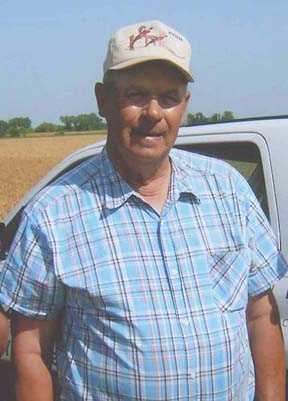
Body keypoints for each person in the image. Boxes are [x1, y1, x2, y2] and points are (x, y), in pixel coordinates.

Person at [0, 19, 287, 401]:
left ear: (184, 106)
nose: (153, 112)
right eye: (135, 94)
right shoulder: (53, 214)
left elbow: (261, 318)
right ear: (103, 100)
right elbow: (31, 349)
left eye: (168, 97)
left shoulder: (227, 189)